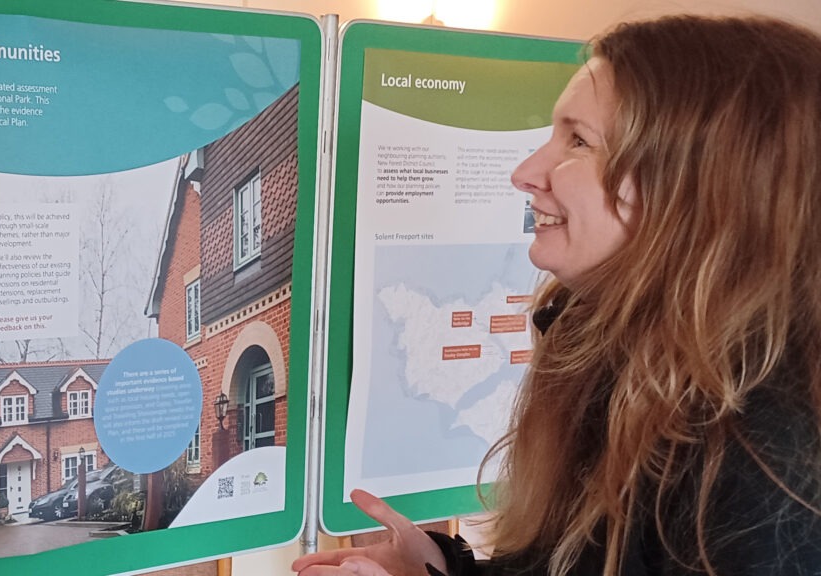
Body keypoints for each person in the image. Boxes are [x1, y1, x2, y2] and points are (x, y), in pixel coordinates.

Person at [294, 14, 821, 576]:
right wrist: (444, 570)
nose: (526, 172)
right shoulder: (616, 361)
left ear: (702, 187)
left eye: (578, 141)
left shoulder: (771, 465)